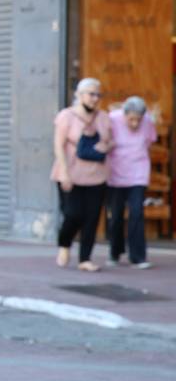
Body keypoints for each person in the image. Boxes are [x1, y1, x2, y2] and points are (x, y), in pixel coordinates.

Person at [51, 78, 113, 272]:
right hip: (71, 173)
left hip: (97, 176)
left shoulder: (104, 118)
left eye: (98, 94)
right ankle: (64, 245)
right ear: (79, 95)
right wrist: (64, 173)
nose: (95, 98)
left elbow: (111, 141)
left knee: (92, 217)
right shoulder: (66, 116)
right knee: (73, 214)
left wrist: (106, 146)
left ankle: (85, 259)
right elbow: (58, 145)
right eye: (91, 94)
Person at [107, 96, 156, 269]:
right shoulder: (112, 118)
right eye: (131, 119)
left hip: (138, 173)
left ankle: (138, 256)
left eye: (138, 120)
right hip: (116, 173)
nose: (135, 123)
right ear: (124, 114)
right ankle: (115, 251)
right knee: (116, 215)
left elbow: (149, 141)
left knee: (137, 213)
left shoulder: (148, 121)